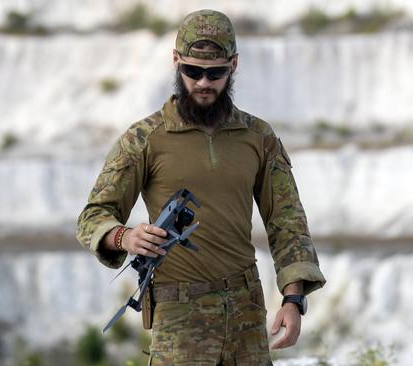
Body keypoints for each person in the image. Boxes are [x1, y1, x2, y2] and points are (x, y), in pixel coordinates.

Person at [76, 9, 326, 365]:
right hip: (179, 317)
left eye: (215, 73)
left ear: (233, 65)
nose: (203, 83)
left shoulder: (258, 137)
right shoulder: (144, 138)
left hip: (246, 314)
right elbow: (93, 216)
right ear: (176, 62)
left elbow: (287, 222)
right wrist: (125, 237)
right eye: (192, 71)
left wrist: (293, 298)